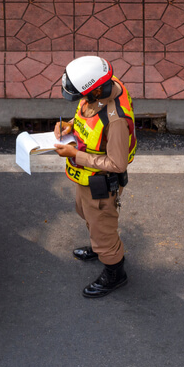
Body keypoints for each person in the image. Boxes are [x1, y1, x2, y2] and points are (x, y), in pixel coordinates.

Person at [53, 56, 137, 298]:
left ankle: (114, 272)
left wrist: (75, 154)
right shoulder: (106, 86)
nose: (80, 100)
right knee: (85, 212)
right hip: (86, 180)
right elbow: (88, 119)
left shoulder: (116, 121)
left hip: (101, 183)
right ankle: (100, 244)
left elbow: (117, 163)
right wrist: (70, 125)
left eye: (82, 95)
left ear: (96, 90)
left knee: (103, 231)